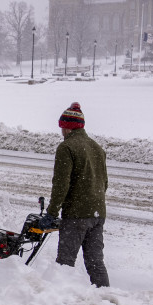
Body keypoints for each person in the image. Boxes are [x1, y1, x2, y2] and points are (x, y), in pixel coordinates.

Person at [40, 102, 110, 287]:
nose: (61, 130)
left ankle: (60, 300)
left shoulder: (67, 148)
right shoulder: (97, 147)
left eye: (62, 126)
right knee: (95, 263)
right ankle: (105, 298)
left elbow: (61, 185)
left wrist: (52, 213)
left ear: (67, 126)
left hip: (76, 215)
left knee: (65, 263)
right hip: (97, 214)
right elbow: (105, 183)